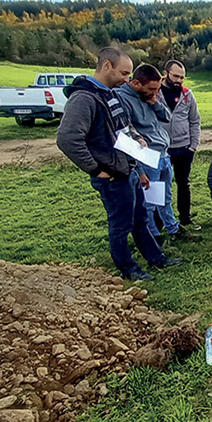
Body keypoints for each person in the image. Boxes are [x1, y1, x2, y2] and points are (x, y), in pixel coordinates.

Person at [57, 47, 181, 282]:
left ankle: (156, 258)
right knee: (120, 226)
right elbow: (67, 139)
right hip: (112, 176)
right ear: (106, 66)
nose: (127, 79)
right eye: (124, 73)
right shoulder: (84, 98)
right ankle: (128, 268)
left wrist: (137, 139)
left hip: (129, 171)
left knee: (141, 220)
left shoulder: (109, 93)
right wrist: (96, 170)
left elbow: (122, 127)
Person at [115, 64, 200, 244]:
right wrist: (139, 169)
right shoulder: (123, 99)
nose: (155, 92)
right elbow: (125, 135)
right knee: (149, 201)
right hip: (147, 157)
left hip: (163, 154)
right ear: (136, 83)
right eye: (152, 89)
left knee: (164, 196)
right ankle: (153, 235)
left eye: (157, 89)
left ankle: (172, 228)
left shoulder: (148, 96)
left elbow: (166, 117)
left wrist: (154, 101)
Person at [161, 59, 202, 231]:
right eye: (175, 76)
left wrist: (193, 145)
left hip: (184, 148)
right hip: (162, 149)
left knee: (183, 184)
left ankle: (185, 218)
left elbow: (195, 121)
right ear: (165, 73)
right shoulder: (154, 93)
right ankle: (159, 221)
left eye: (182, 77)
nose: (178, 80)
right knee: (162, 185)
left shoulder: (187, 95)